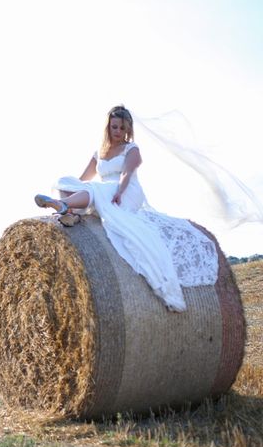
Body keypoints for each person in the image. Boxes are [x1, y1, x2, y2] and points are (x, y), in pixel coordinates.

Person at [34, 105, 218, 312]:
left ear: (128, 129)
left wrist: (120, 191)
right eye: (115, 127)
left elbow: (126, 174)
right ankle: (69, 210)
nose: (118, 132)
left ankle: (65, 206)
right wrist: (69, 187)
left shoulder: (132, 149)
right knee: (65, 180)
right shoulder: (99, 153)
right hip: (102, 190)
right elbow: (83, 178)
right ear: (108, 127)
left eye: (122, 128)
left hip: (125, 192)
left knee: (98, 189)